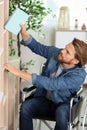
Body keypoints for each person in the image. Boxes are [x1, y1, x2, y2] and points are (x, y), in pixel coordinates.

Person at [5, 24, 87, 130]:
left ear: (75, 61)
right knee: (26, 106)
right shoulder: (57, 53)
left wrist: (17, 72)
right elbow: (38, 47)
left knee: (61, 113)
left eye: (67, 52)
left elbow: (51, 84)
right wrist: (24, 33)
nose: (62, 51)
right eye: (65, 47)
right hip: (45, 100)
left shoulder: (79, 75)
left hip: (64, 104)